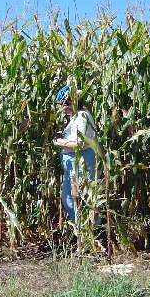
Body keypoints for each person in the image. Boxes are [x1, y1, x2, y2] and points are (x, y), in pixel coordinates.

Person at [53, 85, 97, 226]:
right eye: (62, 104)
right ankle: (83, 231)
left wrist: (59, 141)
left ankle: (93, 232)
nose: (64, 107)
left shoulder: (83, 116)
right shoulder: (75, 116)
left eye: (67, 103)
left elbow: (81, 144)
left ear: (76, 100)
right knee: (68, 200)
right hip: (71, 163)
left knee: (81, 200)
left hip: (80, 161)